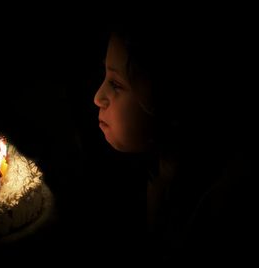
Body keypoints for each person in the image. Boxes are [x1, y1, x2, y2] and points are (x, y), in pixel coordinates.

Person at [93, 21, 255, 264]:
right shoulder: (151, 168)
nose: (97, 98)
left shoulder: (221, 204)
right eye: (105, 76)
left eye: (116, 84)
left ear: (168, 99)